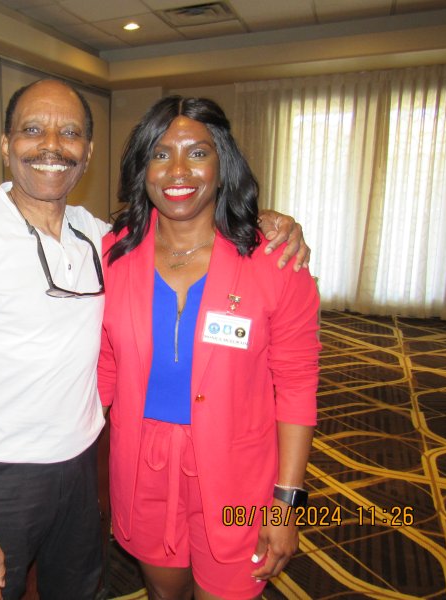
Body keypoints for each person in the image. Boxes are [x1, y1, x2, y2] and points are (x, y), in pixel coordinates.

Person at [0, 80, 309, 600]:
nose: (51, 145)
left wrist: (271, 221)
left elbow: (297, 383)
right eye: (32, 129)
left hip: (98, 466)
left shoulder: (100, 238)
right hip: (21, 471)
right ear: (6, 145)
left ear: (88, 151)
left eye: (197, 153)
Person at [97, 96, 321, 600]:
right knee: (163, 592)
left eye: (197, 153)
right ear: (142, 168)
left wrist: (287, 504)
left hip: (239, 473)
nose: (178, 170)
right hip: (142, 467)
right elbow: (105, 365)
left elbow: (297, 387)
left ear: (223, 164)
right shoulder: (115, 252)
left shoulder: (273, 260)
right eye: (160, 153)